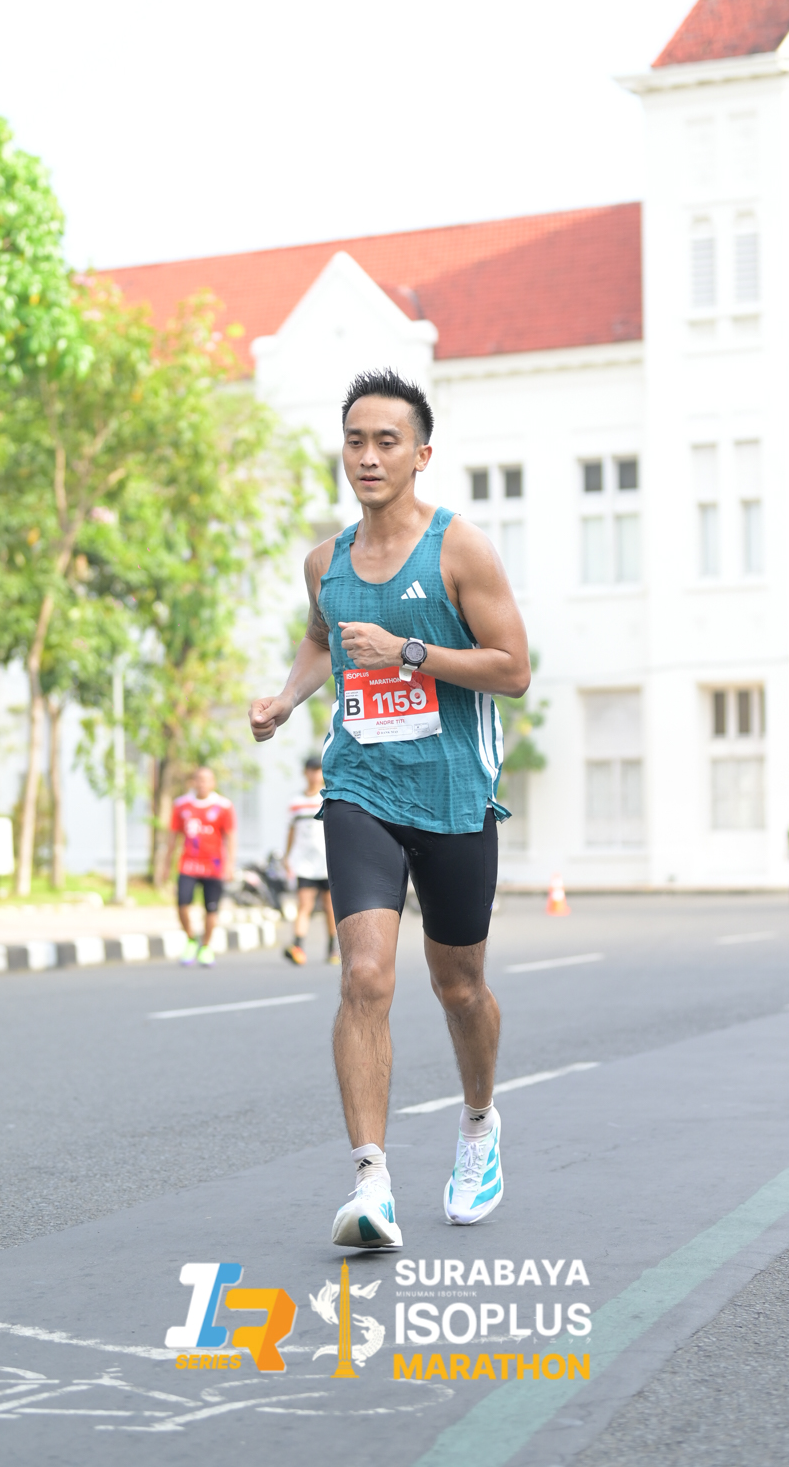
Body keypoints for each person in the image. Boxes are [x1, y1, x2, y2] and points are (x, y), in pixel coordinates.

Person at [249, 367, 530, 1249]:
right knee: (365, 976)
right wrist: (287, 699)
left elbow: (513, 669)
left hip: (452, 792)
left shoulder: (460, 550)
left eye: (387, 442)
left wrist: (409, 652)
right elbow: (322, 637)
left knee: (459, 986)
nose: (368, 457)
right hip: (360, 785)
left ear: (420, 455)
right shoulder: (324, 564)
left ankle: (479, 1123)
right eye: (355, 441)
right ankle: (371, 1181)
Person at [169, 767, 236, 966]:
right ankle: (191, 939)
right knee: (182, 903)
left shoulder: (223, 806)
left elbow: (231, 837)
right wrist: (166, 864)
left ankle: (206, 946)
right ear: (193, 782)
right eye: (198, 779)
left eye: (206, 780)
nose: (202, 784)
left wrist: (230, 865)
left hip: (213, 866)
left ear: (213, 782)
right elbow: (173, 836)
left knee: (211, 909)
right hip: (188, 865)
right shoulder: (181, 805)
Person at [284, 756, 338, 966]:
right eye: (311, 770)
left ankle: (333, 948)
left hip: (326, 860)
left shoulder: (328, 796)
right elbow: (291, 831)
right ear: (305, 773)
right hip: (304, 863)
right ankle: (298, 946)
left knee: (329, 906)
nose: (314, 775)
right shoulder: (295, 802)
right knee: (304, 904)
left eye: (318, 770)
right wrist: (288, 856)